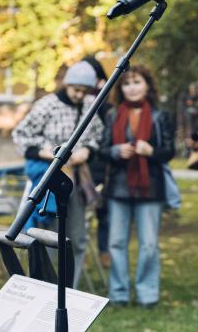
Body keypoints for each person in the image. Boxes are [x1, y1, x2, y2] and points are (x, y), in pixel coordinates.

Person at [12, 60, 104, 287]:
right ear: (67, 84)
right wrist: (47, 153)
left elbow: (97, 135)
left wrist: (87, 151)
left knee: (76, 236)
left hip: (77, 178)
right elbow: (21, 135)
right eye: (76, 90)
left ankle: (69, 286)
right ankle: (50, 286)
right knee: (52, 236)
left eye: (84, 91)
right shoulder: (47, 105)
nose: (79, 95)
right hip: (52, 176)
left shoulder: (90, 105)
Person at [101, 65, 174, 307]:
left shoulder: (159, 115)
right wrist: (114, 151)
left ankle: (147, 294)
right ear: (120, 88)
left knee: (149, 244)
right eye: (126, 83)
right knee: (116, 243)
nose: (132, 88)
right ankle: (118, 294)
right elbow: (100, 150)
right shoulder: (112, 115)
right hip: (118, 188)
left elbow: (169, 152)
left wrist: (151, 151)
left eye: (137, 82)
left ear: (147, 85)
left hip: (150, 188)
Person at [82, 55, 112, 269]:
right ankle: (80, 252)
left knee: (104, 211)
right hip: (84, 163)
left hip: (103, 163)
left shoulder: (107, 99)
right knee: (80, 210)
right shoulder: (78, 97)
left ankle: (104, 251)